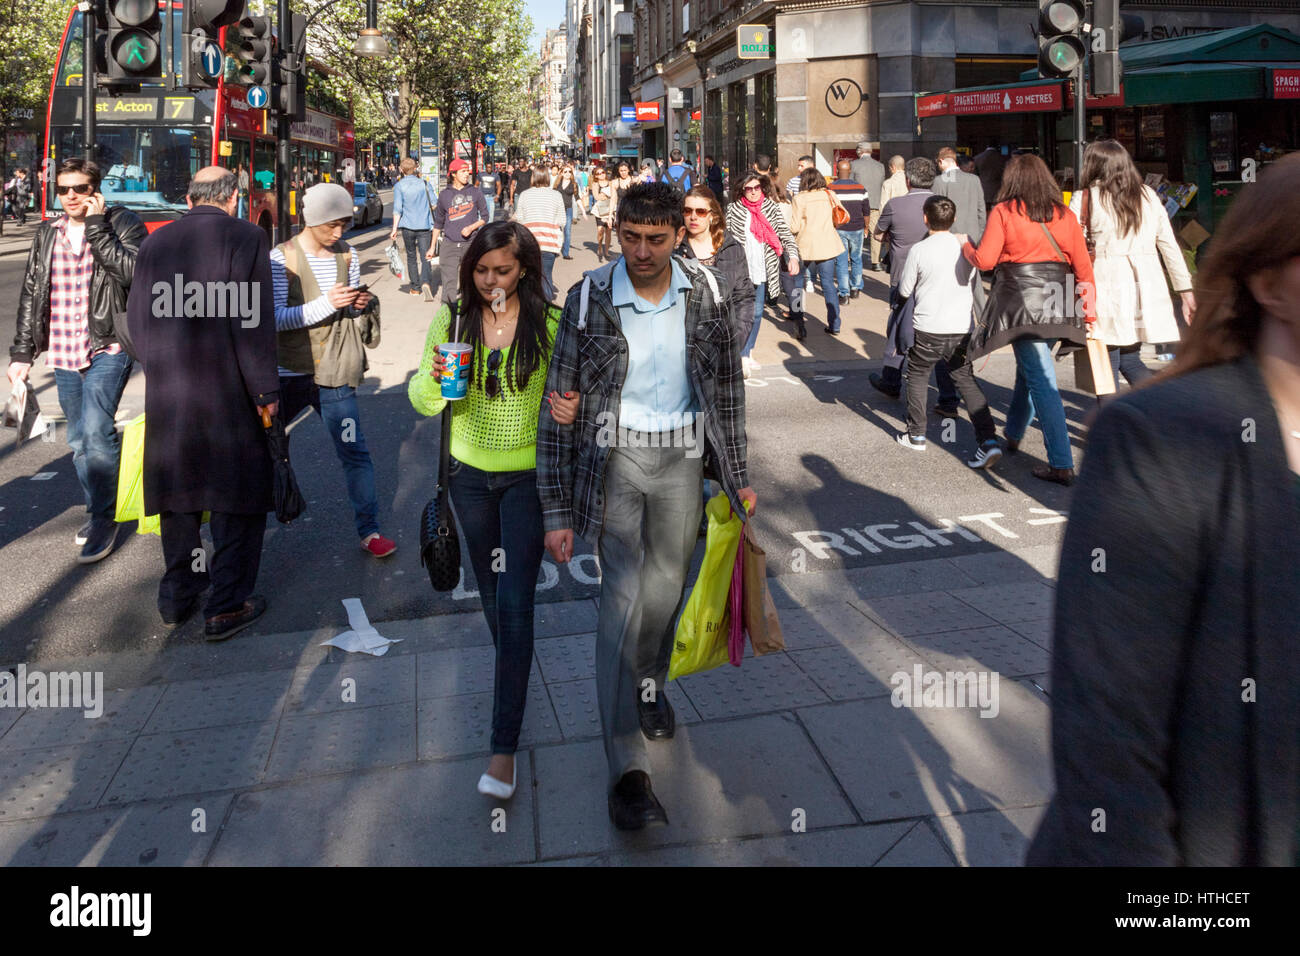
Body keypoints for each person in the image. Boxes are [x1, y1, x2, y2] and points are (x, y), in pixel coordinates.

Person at [1027, 152, 1300, 866]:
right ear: (1271, 284)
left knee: (1108, 380)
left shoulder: (1103, 199)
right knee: (1120, 390)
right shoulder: (1162, 441)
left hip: (1118, 307)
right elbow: (1108, 754)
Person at [537, 182, 756, 831]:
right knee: (622, 600)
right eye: (630, 237)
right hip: (617, 458)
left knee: (667, 591)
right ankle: (628, 771)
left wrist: (738, 476)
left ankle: (651, 682)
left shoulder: (705, 293)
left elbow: (726, 388)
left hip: (685, 457)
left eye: (654, 239)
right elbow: (558, 403)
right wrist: (555, 509)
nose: (639, 250)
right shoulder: (590, 296)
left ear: (676, 236)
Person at [410, 221, 578, 800]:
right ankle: (516, 675)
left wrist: (569, 410)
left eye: (501, 270)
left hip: (529, 481)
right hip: (467, 478)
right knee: (492, 599)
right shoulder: (454, 319)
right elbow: (422, 400)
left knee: (513, 603)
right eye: (480, 270)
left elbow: (573, 406)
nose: (489, 281)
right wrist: (433, 383)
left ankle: (502, 746)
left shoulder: (551, 325)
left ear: (525, 269)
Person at [123, 167, 276, 637]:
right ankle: (226, 604)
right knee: (237, 495)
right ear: (232, 198)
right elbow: (252, 325)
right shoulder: (247, 238)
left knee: (180, 496)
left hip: (170, 391)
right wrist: (266, 394)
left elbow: (136, 322)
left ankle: (178, 595)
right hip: (228, 389)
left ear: (189, 198)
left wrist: (160, 365)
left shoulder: (155, 243)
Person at [9, 158, 145, 563]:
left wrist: (98, 227)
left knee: (98, 430)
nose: (71, 196)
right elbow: (33, 291)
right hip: (63, 348)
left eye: (81, 188)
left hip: (108, 346)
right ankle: (99, 506)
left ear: (96, 190)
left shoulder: (122, 223)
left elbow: (132, 273)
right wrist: (21, 353)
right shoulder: (46, 233)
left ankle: (104, 518)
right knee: (78, 439)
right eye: (64, 189)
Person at [271, 182, 394, 559]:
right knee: (266, 448)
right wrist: (328, 304)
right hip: (287, 373)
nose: (339, 233)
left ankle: (369, 530)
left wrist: (359, 305)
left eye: (344, 224)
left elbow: (348, 311)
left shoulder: (349, 256)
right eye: (332, 226)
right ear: (312, 220)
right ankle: (248, 526)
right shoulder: (280, 258)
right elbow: (274, 319)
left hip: (336, 371)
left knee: (354, 451)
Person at [960, 153, 1096, 485]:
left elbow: (986, 260)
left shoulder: (1004, 211)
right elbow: (1083, 266)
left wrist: (966, 247)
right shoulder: (1064, 214)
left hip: (1020, 303)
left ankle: (1062, 463)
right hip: (1058, 299)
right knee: (1032, 368)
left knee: (1041, 380)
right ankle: (1015, 432)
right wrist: (1090, 311)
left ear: (1012, 180)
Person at [1068, 139, 1197, 391]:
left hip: (1104, 285)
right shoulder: (1148, 195)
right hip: (1145, 286)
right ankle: (1159, 412)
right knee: (1129, 358)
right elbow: (1169, 245)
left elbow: (1069, 245)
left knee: (1105, 361)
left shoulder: (1085, 199)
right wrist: (1185, 291)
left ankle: (1111, 424)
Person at [895, 196, 1001, 469]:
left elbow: (905, 290)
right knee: (965, 379)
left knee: (918, 374)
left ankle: (916, 434)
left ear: (925, 218)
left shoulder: (920, 250)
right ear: (953, 220)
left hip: (928, 326)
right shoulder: (965, 246)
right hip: (960, 327)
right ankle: (988, 440)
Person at [872, 156, 961, 414]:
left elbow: (877, 234)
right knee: (940, 339)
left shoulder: (895, 205)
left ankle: (891, 380)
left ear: (907, 180)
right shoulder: (943, 205)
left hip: (903, 278)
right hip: (939, 279)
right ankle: (947, 397)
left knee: (899, 331)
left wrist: (892, 237)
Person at [727, 172, 800, 362]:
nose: (753, 192)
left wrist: (793, 256)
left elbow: (785, 234)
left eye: (756, 188)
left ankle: (747, 351)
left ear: (762, 188)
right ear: (743, 190)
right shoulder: (734, 209)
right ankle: (740, 352)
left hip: (761, 268)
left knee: (757, 312)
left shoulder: (771, 208)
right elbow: (724, 238)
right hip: (740, 270)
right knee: (739, 313)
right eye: (749, 189)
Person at [679, 185, 754, 359]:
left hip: (723, 347)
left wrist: (735, 341)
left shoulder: (731, 248)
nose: (693, 216)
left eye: (701, 211)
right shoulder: (675, 248)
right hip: (682, 348)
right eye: (687, 210)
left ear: (712, 215)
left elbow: (743, 297)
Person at [789, 168, 849, 334]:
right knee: (828, 284)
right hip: (827, 245)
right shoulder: (829, 195)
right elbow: (841, 215)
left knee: (797, 285)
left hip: (804, 245)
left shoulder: (799, 199)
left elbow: (794, 226)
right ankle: (835, 323)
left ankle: (799, 322)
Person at [429, 158, 488, 308]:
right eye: (462, 171)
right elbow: (438, 223)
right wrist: (432, 246)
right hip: (449, 244)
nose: (466, 174)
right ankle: (447, 317)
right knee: (448, 284)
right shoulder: (444, 195)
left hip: (471, 244)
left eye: (467, 171)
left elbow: (485, 217)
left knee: (471, 282)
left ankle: (470, 315)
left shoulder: (475, 192)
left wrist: (472, 227)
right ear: (453, 174)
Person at [389, 158, 437, 300]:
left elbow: (397, 209)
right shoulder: (424, 183)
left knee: (411, 256)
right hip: (424, 226)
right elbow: (434, 203)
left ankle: (415, 288)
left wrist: (394, 229)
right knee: (426, 256)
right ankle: (426, 282)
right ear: (415, 168)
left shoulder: (399, 186)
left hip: (407, 227)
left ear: (402, 170)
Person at [512, 167, 565, 297]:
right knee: (546, 277)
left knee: (529, 279)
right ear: (547, 177)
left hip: (529, 243)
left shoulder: (525, 194)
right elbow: (562, 220)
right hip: (549, 243)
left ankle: (531, 311)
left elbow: (519, 218)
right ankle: (546, 311)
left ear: (533, 177)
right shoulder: (556, 195)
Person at [828, 160, 868, 302]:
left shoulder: (830, 188)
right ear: (850, 170)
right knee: (857, 259)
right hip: (857, 228)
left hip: (839, 229)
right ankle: (855, 288)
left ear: (837, 171)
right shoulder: (860, 188)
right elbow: (866, 211)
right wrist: (866, 227)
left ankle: (843, 294)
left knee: (841, 261)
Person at [932, 147, 987, 244]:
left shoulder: (939, 181)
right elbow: (981, 210)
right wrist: (981, 233)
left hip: (949, 237)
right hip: (973, 236)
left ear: (941, 161)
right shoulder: (975, 179)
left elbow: (937, 213)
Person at [850, 143, 885, 271]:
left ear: (859, 151)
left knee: (855, 232)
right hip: (875, 203)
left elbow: (850, 184)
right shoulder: (880, 166)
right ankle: (876, 262)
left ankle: (852, 259)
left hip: (857, 204)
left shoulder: (854, 165)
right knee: (875, 233)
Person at [590, 165, 615, 262]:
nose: (601, 175)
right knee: (600, 230)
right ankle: (600, 246)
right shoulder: (595, 184)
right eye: (598, 174)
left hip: (610, 210)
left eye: (602, 173)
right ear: (595, 176)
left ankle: (607, 251)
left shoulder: (611, 183)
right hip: (600, 211)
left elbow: (614, 196)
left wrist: (604, 195)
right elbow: (596, 197)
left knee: (608, 231)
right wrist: (606, 195)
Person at [555, 166, 581, 259]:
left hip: (568, 209)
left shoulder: (574, 184)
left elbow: (577, 197)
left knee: (567, 231)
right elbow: (552, 195)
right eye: (565, 171)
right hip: (557, 210)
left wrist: (583, 211)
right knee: (556, 231)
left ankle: (566, 253)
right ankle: (555, 250)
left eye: (570, 172)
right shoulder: (557, 183)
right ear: (561, 173)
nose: (568, 173)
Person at [973, 143, 1006, 209]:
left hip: (982, 188)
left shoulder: (977, 158)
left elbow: (974, 174)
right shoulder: (1002, 158)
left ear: (987, 146)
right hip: (998, 189)